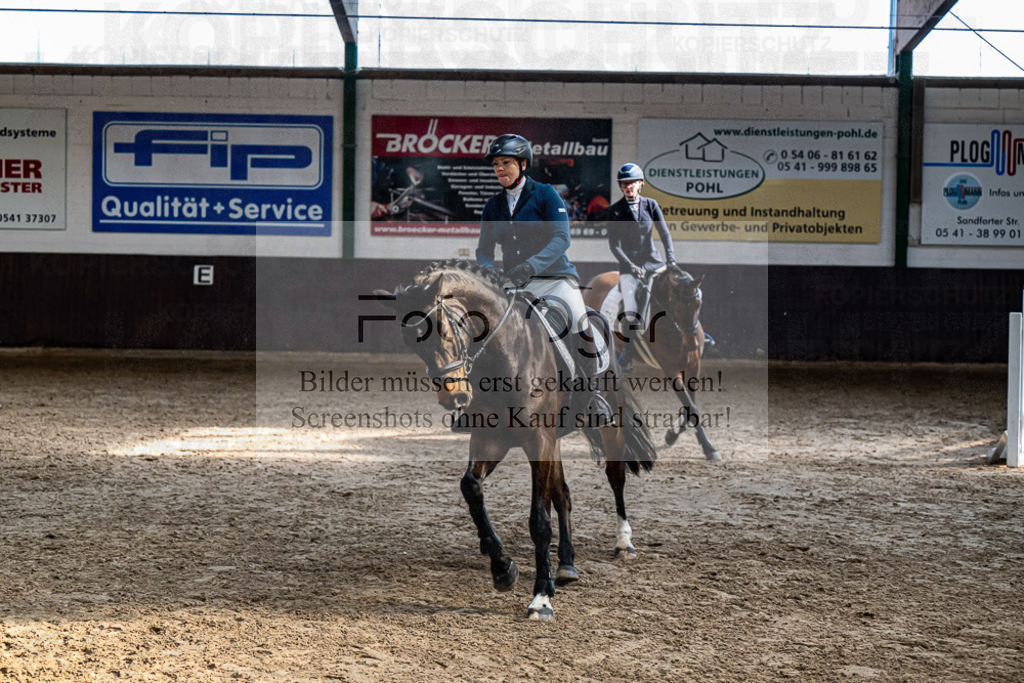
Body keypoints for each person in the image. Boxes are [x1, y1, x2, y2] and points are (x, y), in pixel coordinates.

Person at [476, 133, 614, 426]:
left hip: (554, 279)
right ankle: (482, 399)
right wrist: (487, 271)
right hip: (514, 283)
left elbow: (561, 238)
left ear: (523, 164)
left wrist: (531, 265)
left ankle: (593, 396)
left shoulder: (546, 194)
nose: (500, 168)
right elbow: (484, 249)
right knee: (485, 330)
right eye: (496, 164)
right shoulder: (492, 205)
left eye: (506, 163)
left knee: (579, 321)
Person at [605, 162, 677, 372]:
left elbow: (664, 234)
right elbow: (614, 246)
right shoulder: (615, 211)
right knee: (630, 309)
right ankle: (627, 351)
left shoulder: (651, 205)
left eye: (632, 183)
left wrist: (671, 260)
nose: (628, 187)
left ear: (640, 184)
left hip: (655, 263)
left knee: (679, 291)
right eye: (624, 184)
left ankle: (694, 335)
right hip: (630, 268)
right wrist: (630, 266)